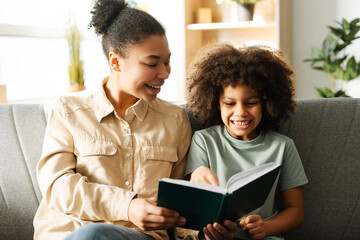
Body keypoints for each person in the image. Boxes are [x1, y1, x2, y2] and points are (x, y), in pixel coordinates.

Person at [33, 0, 197, 239]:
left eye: (167, 62)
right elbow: (57, 187)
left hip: (140, 237)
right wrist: (127, 206)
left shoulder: (175, 120)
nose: (165, 73)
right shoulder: (69, 110)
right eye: (152, 63)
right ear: (116, 62)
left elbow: (181, 202)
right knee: (91, 234)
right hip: (72, 234)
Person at [185, 43, 308, 240]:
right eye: (229, 103)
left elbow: (296, 211)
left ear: (266, 103)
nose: (241, 112)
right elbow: (197, 203)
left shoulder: (283, 146)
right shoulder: (204, 141)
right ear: (216, 104)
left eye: (251, 103)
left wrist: (266, 228)